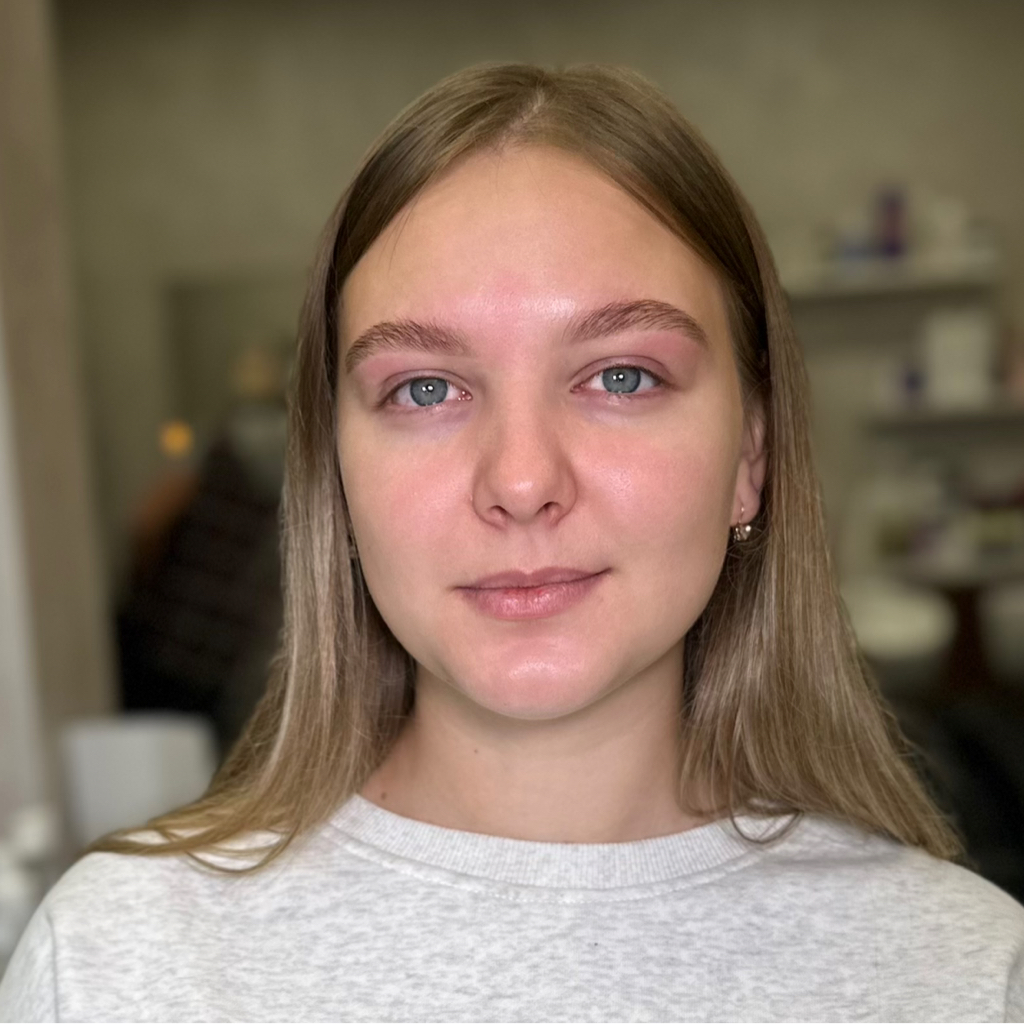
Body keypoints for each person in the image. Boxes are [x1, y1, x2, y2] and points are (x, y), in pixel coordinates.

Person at [2, 62, 1022, 1023]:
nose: (523, 481)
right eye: (424, 389)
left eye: (621, 376)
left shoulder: (966, 976)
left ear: (750, 454)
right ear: (339, 478)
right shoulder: (118, 964)